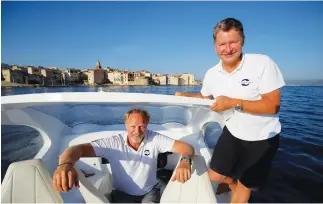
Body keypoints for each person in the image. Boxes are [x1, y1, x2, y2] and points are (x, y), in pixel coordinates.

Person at [176, 17, 285, 203]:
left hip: (263, 138)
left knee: (245, 186)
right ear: (215, 46)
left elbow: (273, 105)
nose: (228, 49)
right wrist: (184, 94)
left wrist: (233, 102)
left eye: (233, 42)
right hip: (233, 132)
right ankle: (233, 182)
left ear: (242, 41)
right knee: (215, 175)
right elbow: (205, 98)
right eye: (222, 44)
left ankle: (240, 187)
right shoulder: (211, 73)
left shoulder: (262, 63)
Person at [53, 108, 194, 203]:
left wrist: (185, 160)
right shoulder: (113, 143)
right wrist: (65, 164)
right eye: (133, 127)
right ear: (126, 125)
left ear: (147, 125)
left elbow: (187, 147)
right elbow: (77, 149)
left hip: (149, 191)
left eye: (142, 126)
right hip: (121, 193)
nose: (137, 131)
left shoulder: (155, 138)